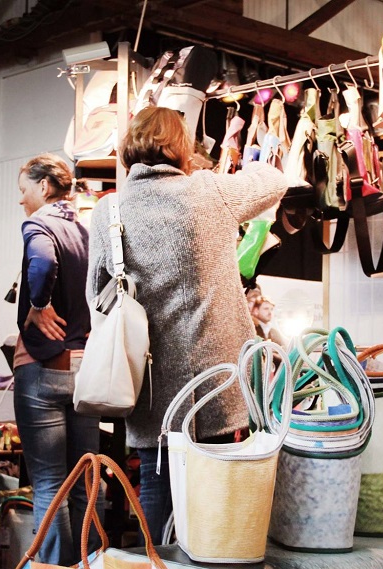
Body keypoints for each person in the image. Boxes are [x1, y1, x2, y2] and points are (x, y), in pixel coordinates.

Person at [86, 106, 287, 544]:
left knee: (157, 482)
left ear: (128, 150)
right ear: (181, 148)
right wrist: (225, 167)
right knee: (217, 484)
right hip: (217, 376)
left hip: (150, 379)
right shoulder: (209, 190)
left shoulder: (108, 210)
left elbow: (96, 297)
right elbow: (275, 180)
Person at [12, 154, 100, 564]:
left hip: (44, 366)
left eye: (24, 190)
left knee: (49, 483)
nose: (21, 200)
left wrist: (39, 303)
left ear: (44, 187)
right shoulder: (84, 230)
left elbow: (43, 261)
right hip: (83, 369)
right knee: (85, 481)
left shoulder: (40, 224)